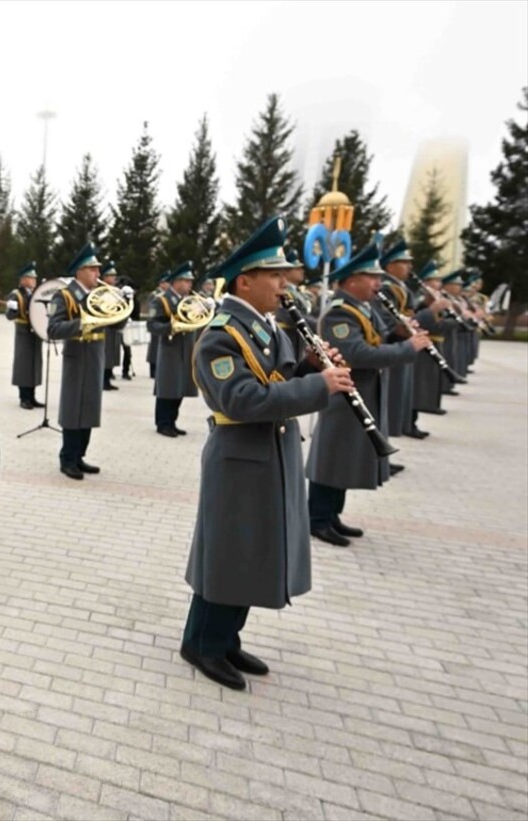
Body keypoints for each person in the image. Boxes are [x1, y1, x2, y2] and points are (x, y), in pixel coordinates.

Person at [181, 216, 352, 690]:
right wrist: (317, 387)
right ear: (246, 280)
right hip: (239, 458)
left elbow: (274, 380)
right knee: (230, 554)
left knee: (251, 553)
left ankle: (226, 637)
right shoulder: (222, 332)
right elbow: (241, 399)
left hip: (269, 456)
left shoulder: (270, 328)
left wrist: (309, 366)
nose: (285, 283)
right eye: (275, 275)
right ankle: (203, 644)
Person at [305, 242, 428, 547]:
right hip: (343, 397)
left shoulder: (361, 308)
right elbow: (357, 354)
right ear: (351, 281)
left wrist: (398, 333)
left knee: (344, 458)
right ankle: (317, 519)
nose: (378, 283)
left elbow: (375, 338)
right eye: (371, 277)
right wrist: (406, 348)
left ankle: (332, 515)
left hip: (361, 394)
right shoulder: (338, 313)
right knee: (332, 457)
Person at [47, 243, 106, 480]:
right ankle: (67, 458)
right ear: (80, 271)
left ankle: (80, 456)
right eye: (93, 269)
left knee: (90, 407)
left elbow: (116, 323)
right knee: (73, 409)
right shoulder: (64, 296)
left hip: (96, 356)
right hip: (77, 357)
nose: (98, 274)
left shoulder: (99, 296)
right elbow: (53, 328)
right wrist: (81, 324)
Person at [147, 262, 199, 437]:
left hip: (186, 348)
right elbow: (152, 325)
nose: (190, 285)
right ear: (176, 282)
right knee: (168, 387)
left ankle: (172, 421)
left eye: (190, 281)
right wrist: (171, 327)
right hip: (170, 350)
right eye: (186, 281)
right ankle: (163, 423)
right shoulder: (161, 300)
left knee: (180, 387)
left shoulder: (190, 300)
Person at [378, 240, 420, 446]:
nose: (409, 266)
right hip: (391, 347)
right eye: (404, 262)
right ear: (390, 265)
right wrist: (399, 330)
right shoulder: (386, 288)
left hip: (401, 345)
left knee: (396, 397)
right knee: (390, 399)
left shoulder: (400, 287)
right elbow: (384, 322)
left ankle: (394, 436)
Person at [410, 261, 455, 422]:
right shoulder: (421, 300)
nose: (438, 284)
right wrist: (445, 319)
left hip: (434, 343)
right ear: (426, 282)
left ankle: (432, 405)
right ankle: (413, 419)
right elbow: (424, 323)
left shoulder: (435, 299)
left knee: (433, 380)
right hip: (422, 345)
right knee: (420, 384)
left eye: (439, 280)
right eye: (434, 280)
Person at [5, 262, 45, 409]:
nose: (34, 280)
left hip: (35, 333)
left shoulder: (36, 293)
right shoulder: (16, 294)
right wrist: (12, 309)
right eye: (30, 277)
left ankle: (32, 396)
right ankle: (24, 397)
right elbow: (9, 316)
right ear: (23, 280)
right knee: (24, 366)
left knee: (34, 365)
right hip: (23, 333)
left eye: (35, 278)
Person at [99, 260, 123, 390]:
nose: (114, 278)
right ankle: (103, 380)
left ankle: (108, 379)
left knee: (112, 354)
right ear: (105, 277)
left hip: (114, 326)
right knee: (106, 354)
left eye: (114, 276)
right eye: (111, 276)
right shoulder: (101, 291)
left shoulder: (114, 291)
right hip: (105, 327)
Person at [145, 272, 171, 377]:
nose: (168, 285)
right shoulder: (155, 295)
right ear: (161, 284)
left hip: (163, 324)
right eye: (166, 282)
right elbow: (152, 308)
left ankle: (157, 369)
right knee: (154, 349)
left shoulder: (166, 295)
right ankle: (152, 370)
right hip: (157, 322)